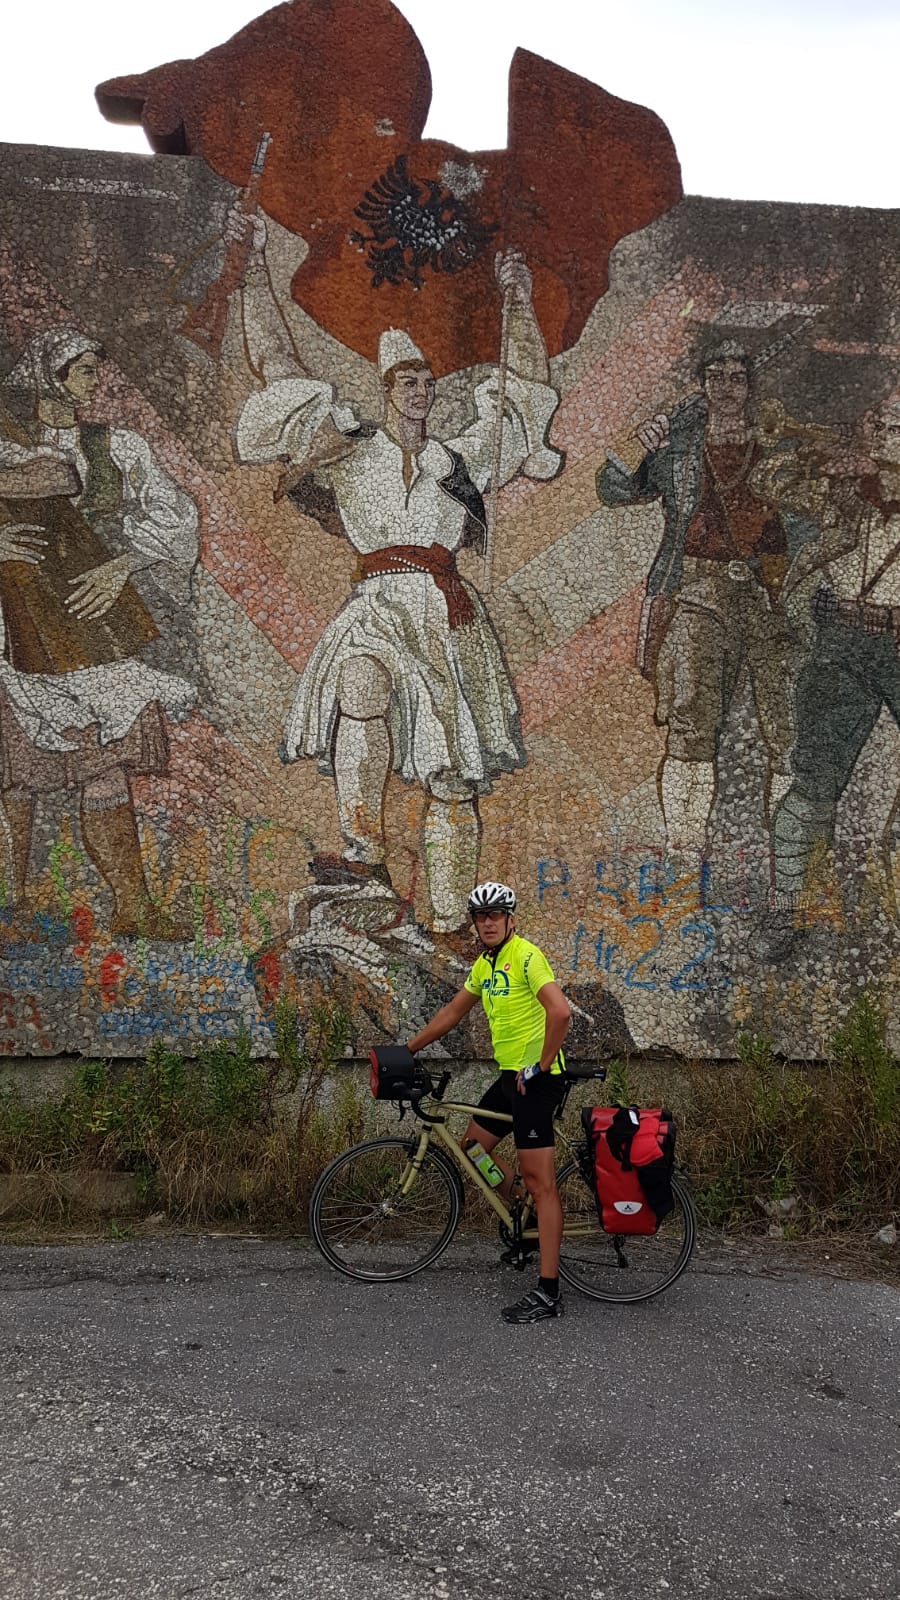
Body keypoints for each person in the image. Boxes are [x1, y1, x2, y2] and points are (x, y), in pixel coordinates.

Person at [232, 212, 562, 934]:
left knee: (453, 771)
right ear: (387, 388)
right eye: (407, 380)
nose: (420, 390)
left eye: (426, 381)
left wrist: (518, 298)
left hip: (445, 612)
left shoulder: (458, 458)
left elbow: (528, 391)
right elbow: (278, 368)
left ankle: (449, 921)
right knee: (359, 683)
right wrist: (254, 269)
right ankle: (364, 857)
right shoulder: (353, 452)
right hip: (379, 603)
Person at [0, 328, 198, 937]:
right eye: (82, 368)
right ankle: (12, 910)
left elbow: (177, 519)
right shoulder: (8, 444)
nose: (95, 379)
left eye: (95, 367)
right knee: (14, 773)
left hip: (90, 627)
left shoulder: (115, 447)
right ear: (47, 376)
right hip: (15, 623)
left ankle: (133, 906)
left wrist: (120, 567)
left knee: (106, 763)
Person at [597, 342, 810, 856]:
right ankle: (686, 846)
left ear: (750, 386)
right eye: (717, 376)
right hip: (696, 589)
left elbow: (810, 519)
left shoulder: (779, 449)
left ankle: (786, 847)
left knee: (787, 722)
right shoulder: (679, 451)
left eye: (737, 377)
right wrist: (641, 443)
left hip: (769, 593)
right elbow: (613, 489)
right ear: (703, 385)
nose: (727, 387)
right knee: (691, 717)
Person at [405, 880, 571, 1323]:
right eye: (481, 916)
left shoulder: (526, 956)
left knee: (541, 1183)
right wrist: (408, 1050)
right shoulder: (485, 965)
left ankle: (549, 1291)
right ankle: (523, 1216)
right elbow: (452, 1012)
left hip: (537, 1081)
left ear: (510, 919)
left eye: (495, 914)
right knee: (473, 1148)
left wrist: (540, 1065)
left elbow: (560, 1012)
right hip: (509, 1077)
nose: (488, 922)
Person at [771, 395, 900, 913]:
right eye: (881, 421)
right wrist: (815, 454)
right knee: (815, 779)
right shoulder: (841, 491)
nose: (887, 429)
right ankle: (787, 905)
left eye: (899, 424)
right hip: (842, 639)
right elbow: (767, 481)